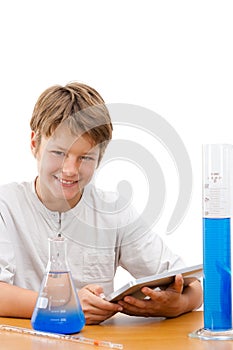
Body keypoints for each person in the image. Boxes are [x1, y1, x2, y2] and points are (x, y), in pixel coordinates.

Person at [0, 81, 202, 325]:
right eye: (58, 153)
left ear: (100, 158)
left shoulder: (114, 210)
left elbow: (192, 284)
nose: (70, 170)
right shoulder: (6, 205)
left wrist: (180, 304)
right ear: (35, 144)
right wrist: (64, 304)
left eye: (85, 157)